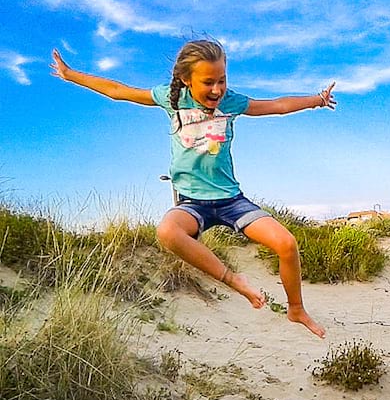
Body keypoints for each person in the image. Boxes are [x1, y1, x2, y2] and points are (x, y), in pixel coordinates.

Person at [50, 39, 336, 339]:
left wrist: (316, 100)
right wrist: (71, 75)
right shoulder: (171, 99)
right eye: (208, 82)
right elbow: (119, 91)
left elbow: (276, 106)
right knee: (167, 232)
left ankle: (296, 309)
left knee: (286, 244)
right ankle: (233, 280)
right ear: (187, 79)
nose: (217, 89)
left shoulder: (231, 103)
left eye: (222, 80)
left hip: (232, 201)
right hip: (193, 204)